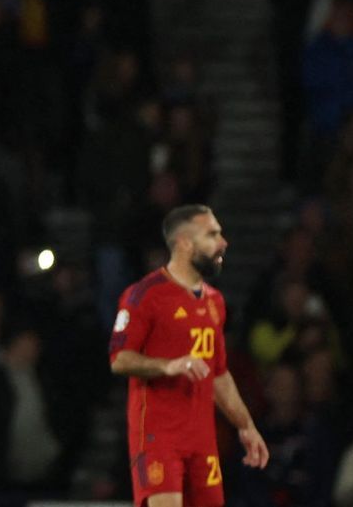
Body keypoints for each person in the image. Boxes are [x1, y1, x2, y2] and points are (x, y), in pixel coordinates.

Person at [109, 205, 270, 507]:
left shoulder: (215, 301)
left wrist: (246, 425)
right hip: (158, 436)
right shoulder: (143, 295)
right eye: (212, 234)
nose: (223, 242)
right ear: (184, 243)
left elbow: (218, 373)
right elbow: (120, 359)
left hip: (202, 439)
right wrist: (168, 365)